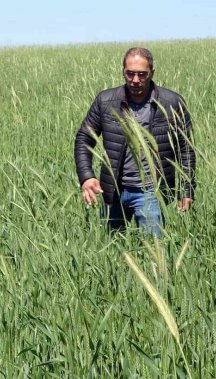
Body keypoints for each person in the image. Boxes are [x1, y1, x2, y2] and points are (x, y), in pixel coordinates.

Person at [74, 47, 195, 237]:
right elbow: (84, 138)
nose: (135, 80)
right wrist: (86, 176)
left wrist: (186, 189)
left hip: (151, 194)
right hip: (113, 191)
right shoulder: (106, 101)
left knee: (154, 253)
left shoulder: (172, 103)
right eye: (130, 74)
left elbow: (186, 149)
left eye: (142, 74)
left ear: (152, 73)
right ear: (123, 71)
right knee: (112, 251)